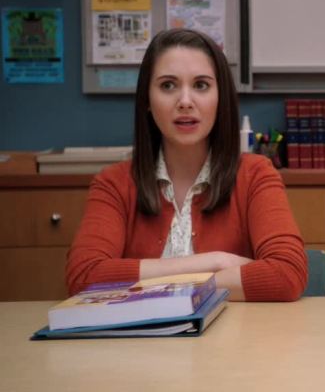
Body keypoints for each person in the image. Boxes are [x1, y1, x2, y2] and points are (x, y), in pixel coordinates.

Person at [66, 28, 307, 302]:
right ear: (147, 100)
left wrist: (150, 282)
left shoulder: (255, 175)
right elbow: (84, 277)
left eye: (201, 85)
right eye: (168, 85)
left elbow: (287, 275)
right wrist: (216, 262)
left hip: (234, 331)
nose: (185, 102)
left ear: (220, 97)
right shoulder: (114, 184)